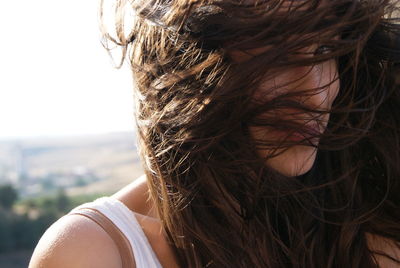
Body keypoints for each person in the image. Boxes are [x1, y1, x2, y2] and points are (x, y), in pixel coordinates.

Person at [29, 0, 400, 267]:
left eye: (324, 48)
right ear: (189, 58)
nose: (316, 91)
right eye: (278, 51)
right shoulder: (93, 252)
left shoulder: (361, 225)